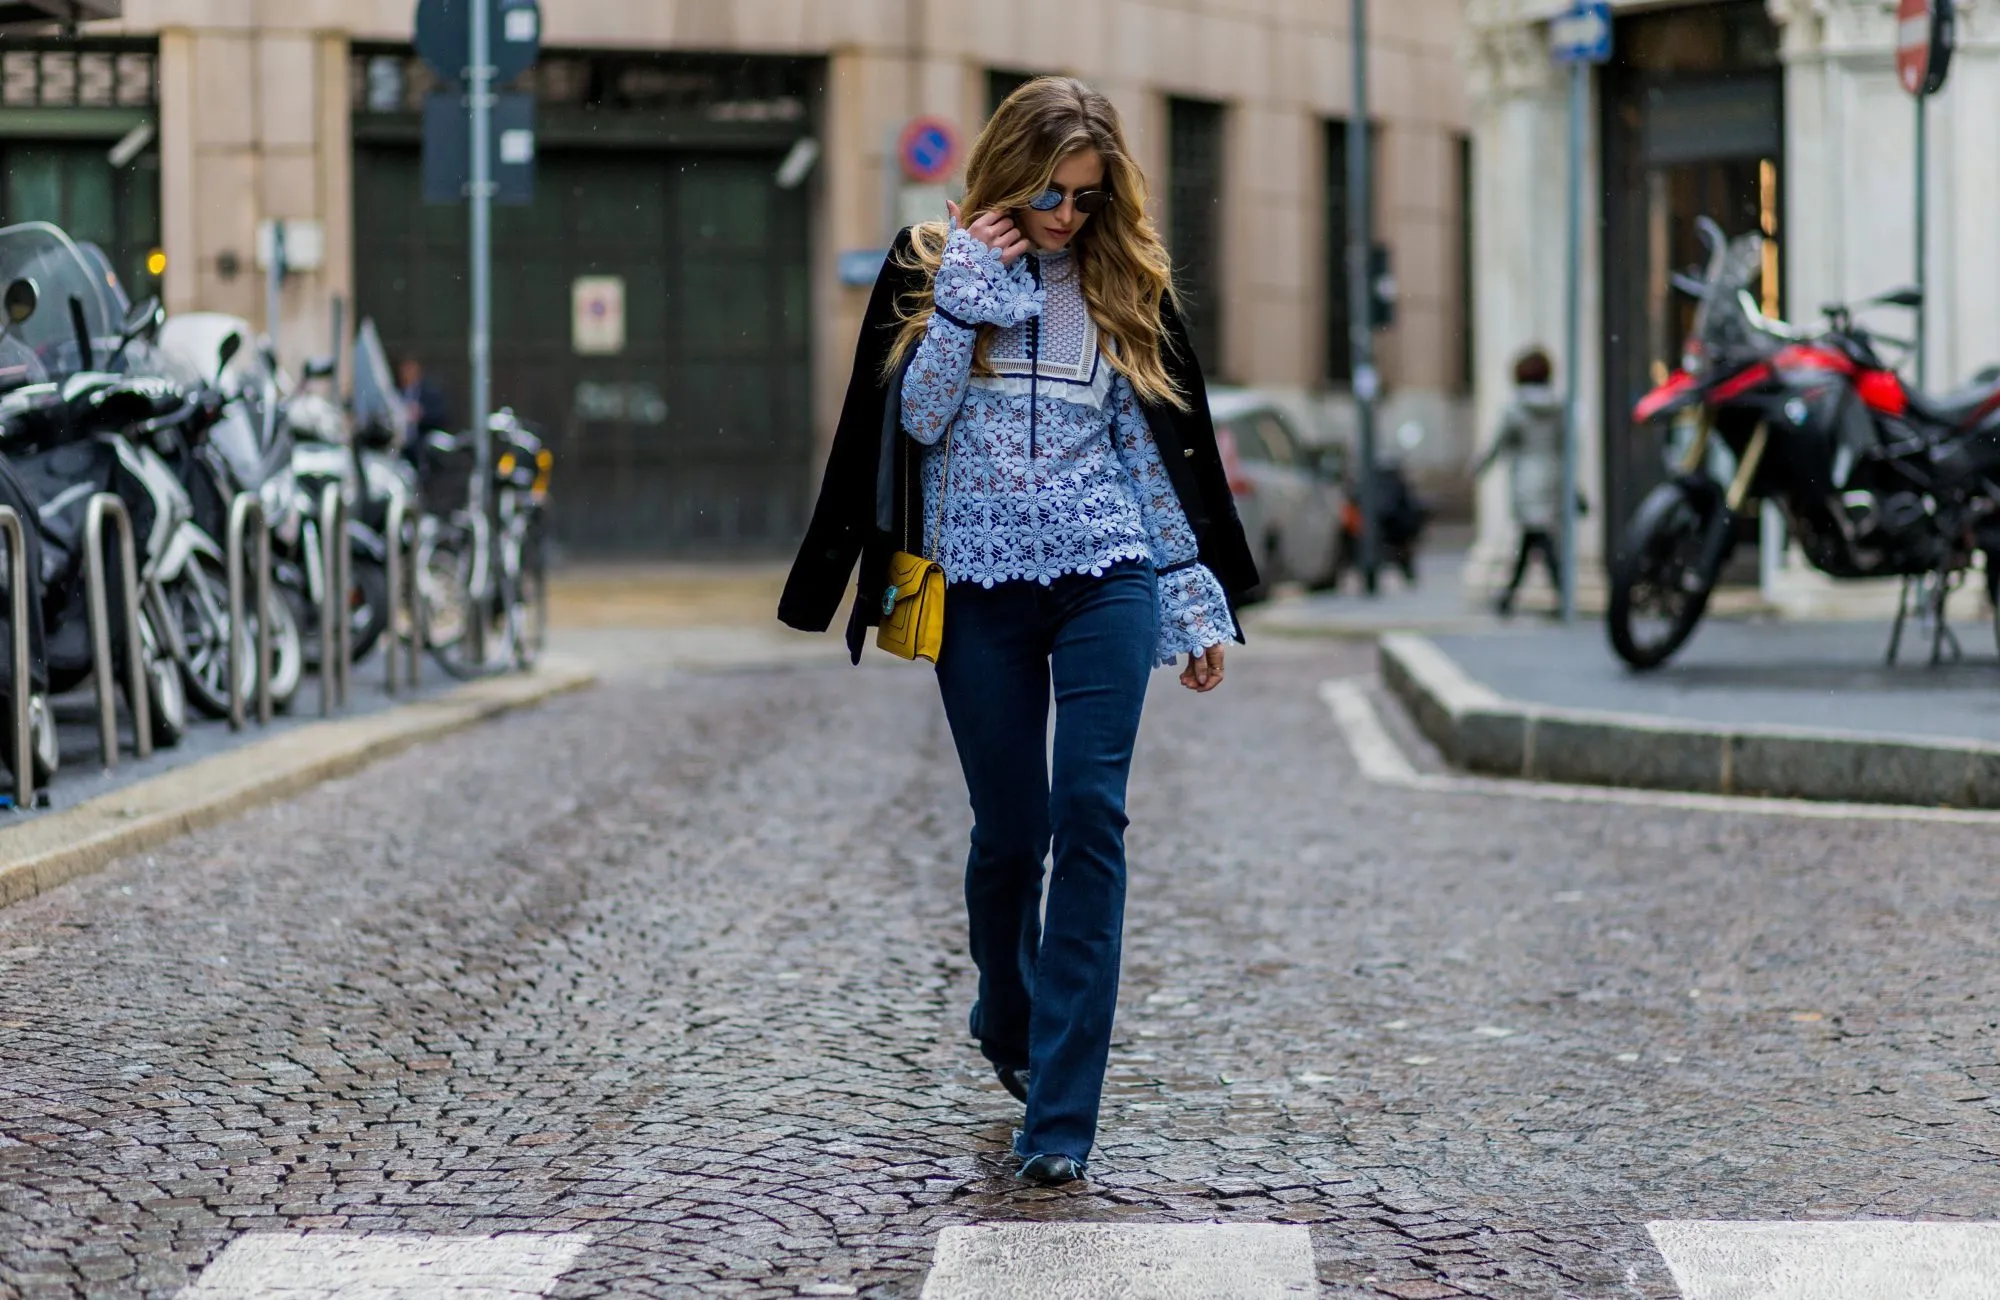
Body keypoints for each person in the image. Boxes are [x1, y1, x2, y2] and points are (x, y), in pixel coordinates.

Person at [778, 77, 1258, 1187]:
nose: (1066, 216)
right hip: (978, 588)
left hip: (1105, 575)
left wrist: (1187, 589)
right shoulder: (930, 263)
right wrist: (963, 302)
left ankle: (1061, 1109)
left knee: (1089, 813)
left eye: (1086, 198)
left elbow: (1147, 447)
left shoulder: (1119, 277)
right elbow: (915, 419)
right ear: (1008, 174)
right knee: (1009, 833)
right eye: (1050, 193)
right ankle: (1007, 1005)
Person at [1476, 348, 1566, 617]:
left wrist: (1478, 467)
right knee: (1536, 537)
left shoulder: (1514, 408)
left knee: (1537, 537)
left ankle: (1519, 596)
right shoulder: (1558, 407)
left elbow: (1498, 444)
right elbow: (1565, 444)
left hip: (1526, 477)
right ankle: (1511, 597)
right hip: (1552, 474)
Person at [395, 355, 453, 435]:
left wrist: (421, 414)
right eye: (404, 370)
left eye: (410, 369)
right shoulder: (396, 393)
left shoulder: (431, 392)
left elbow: (441, 417)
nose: (407, 373)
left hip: (422, 438)